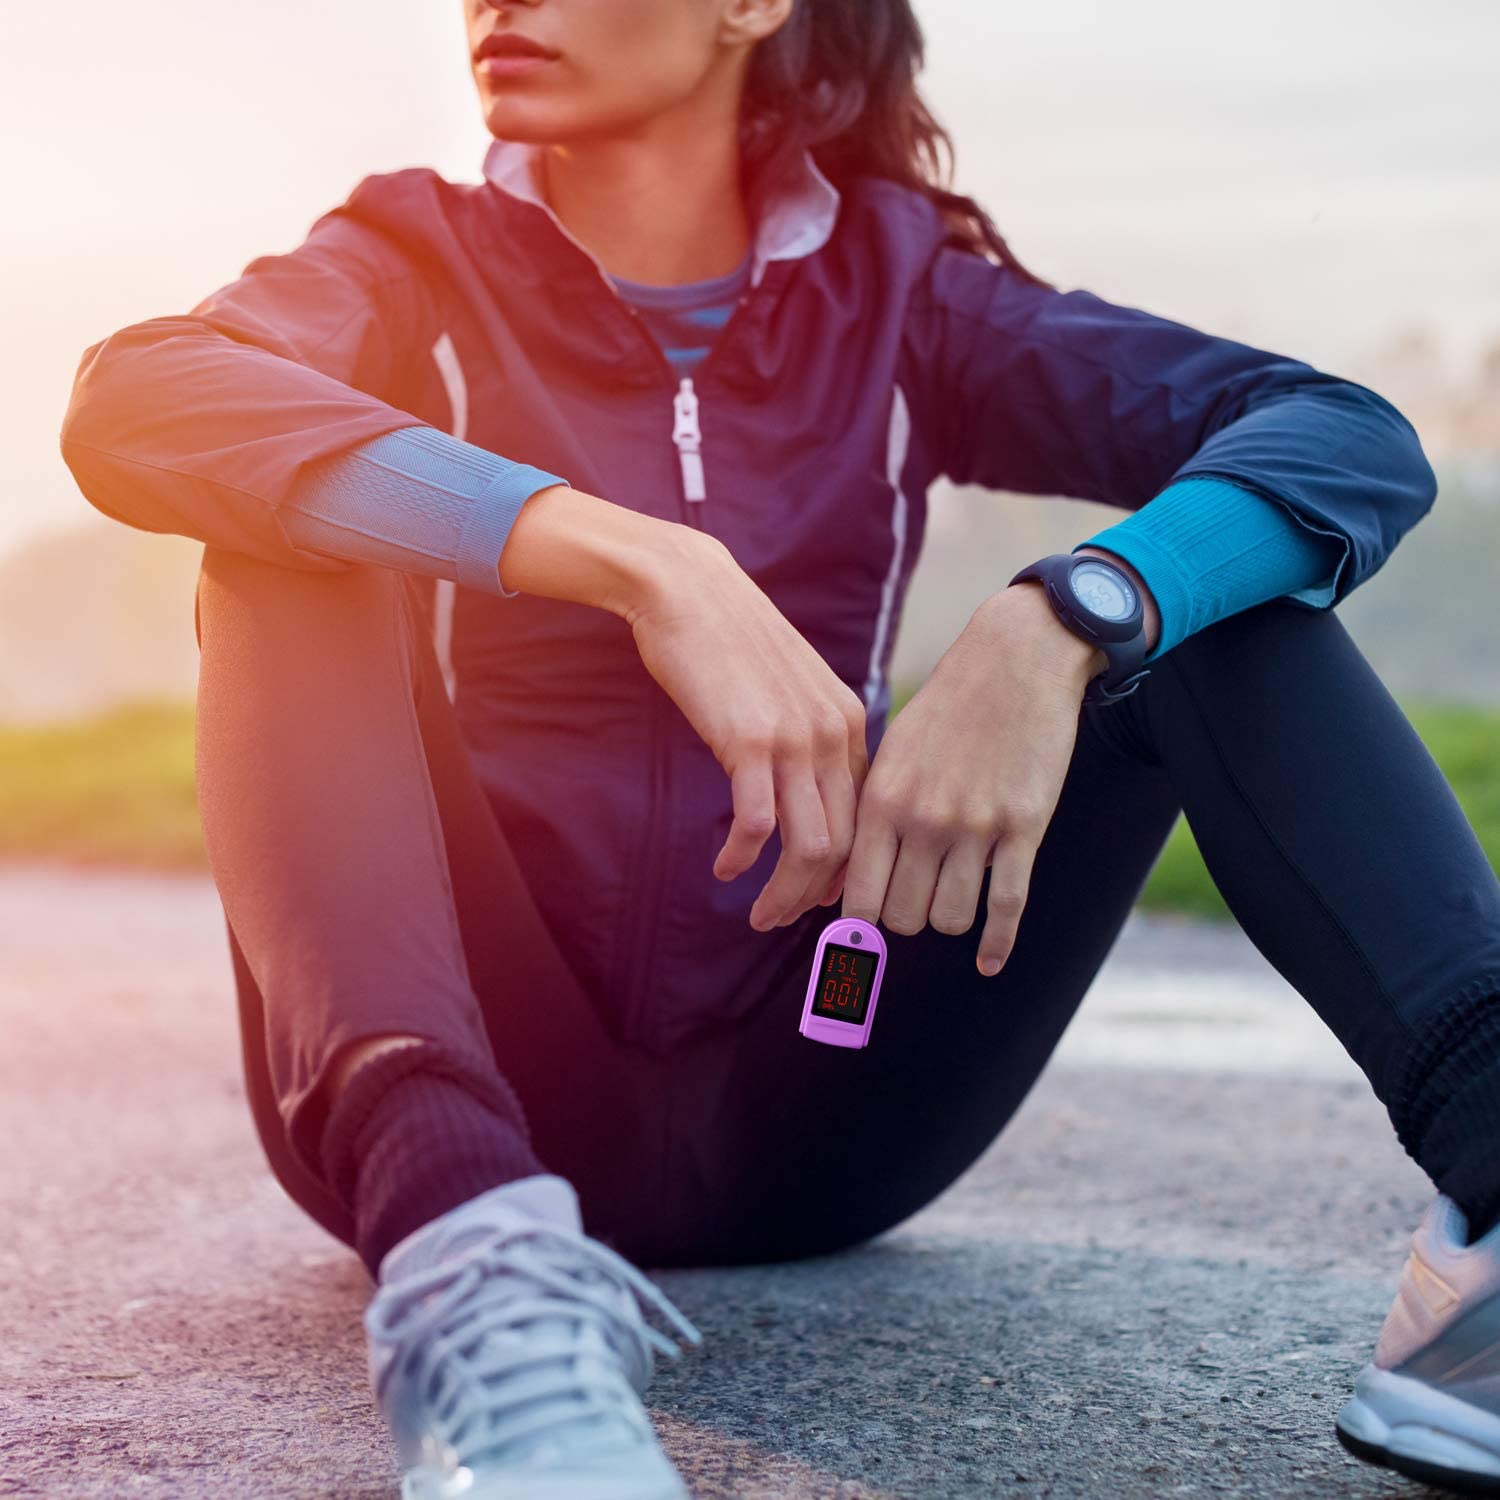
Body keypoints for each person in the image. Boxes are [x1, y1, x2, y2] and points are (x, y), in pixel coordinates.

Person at [58, 0, 1500, 1495]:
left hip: (839, 1078)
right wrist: (629, 560)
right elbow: (141, 396)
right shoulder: (413, 257)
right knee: (277, 535)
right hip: (477, 1077)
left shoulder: (903, 291)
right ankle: (476, 1299)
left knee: (1205, 596)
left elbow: (1340, 432)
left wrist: (1065, 617)